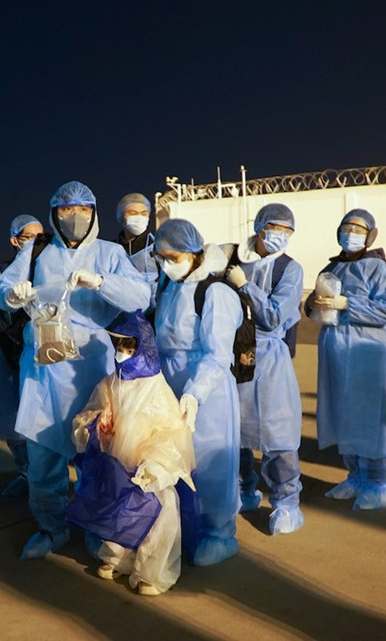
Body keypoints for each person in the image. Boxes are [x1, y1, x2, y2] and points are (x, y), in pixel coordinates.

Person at [0, 181, 151, 560]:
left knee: (96, 453)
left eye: (83, 209)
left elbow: (141, 296)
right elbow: (3, 288)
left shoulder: (110, 254)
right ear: (53, 213)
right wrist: (11, 296)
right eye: (66, 210)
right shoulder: (38, 250)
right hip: (45, 367)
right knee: (43, 454)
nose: (74, 217)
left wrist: (101, 282)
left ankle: (98, 528)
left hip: (91, 367)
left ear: (94, 213)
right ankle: (51, 528)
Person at [69, 310, 196, 595]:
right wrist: (93, 426)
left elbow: (171, 431)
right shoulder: (111, 381)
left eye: (129, 346)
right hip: (116, 463)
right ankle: (117, 559)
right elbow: (91, 413)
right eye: (118, 346)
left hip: (145, 468)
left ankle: (152, 570)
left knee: (157, 513)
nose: (122, 353)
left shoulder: (156, 387)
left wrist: (156, 463)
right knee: (116, 509)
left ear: (143, 347)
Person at [153, 218, 243, 565]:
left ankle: (219, 533)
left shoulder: (215, 292)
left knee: (210, 459)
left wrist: (195, 393)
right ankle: (186, 524)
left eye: (171, 256)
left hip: (209, 387)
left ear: (193, 253)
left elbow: (218, 354)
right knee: (178, 459)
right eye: (160, 257)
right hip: (171, 378)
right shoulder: (170, 285)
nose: (165, 263)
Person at [306, 209, 386, 511]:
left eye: (358, 229)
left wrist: (349, 304)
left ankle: (377, 482)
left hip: (366, 352)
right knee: (342, 412)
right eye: (346, 227)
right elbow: (316, 307)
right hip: (336, 349)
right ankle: (356, 475)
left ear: (370, 235)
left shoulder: (379, 269)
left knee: (369, 416)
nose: (351, 233)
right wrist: (313, 304)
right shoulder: (333, 267)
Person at [225, 203, 305, 534]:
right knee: (236, 428)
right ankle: (244, 490)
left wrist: (245, 286)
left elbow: (273, 316)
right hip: (235, 354)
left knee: (277, 431)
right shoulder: (233, 258)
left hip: (270, 357)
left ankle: (286, 503)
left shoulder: (290, 269)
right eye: (275, 228)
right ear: (260, 226)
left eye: (288, 231)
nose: (280, 236)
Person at [0, 214, 45, 497]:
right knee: (13, 414)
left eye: (41, 237)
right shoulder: (2, 272)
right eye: (29, 237)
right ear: (15, 241)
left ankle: (49, 477)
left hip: (45, 353)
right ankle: (26, 472)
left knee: (46, 415)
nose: (35, 243)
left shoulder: (49, 265)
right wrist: (8, 312)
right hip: (10, 352)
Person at [115, 192, 158, 280]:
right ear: (121, 216)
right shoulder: (111, 249)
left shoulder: (157, 248)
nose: (139, 218)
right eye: (133, 213)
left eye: (144, 213)